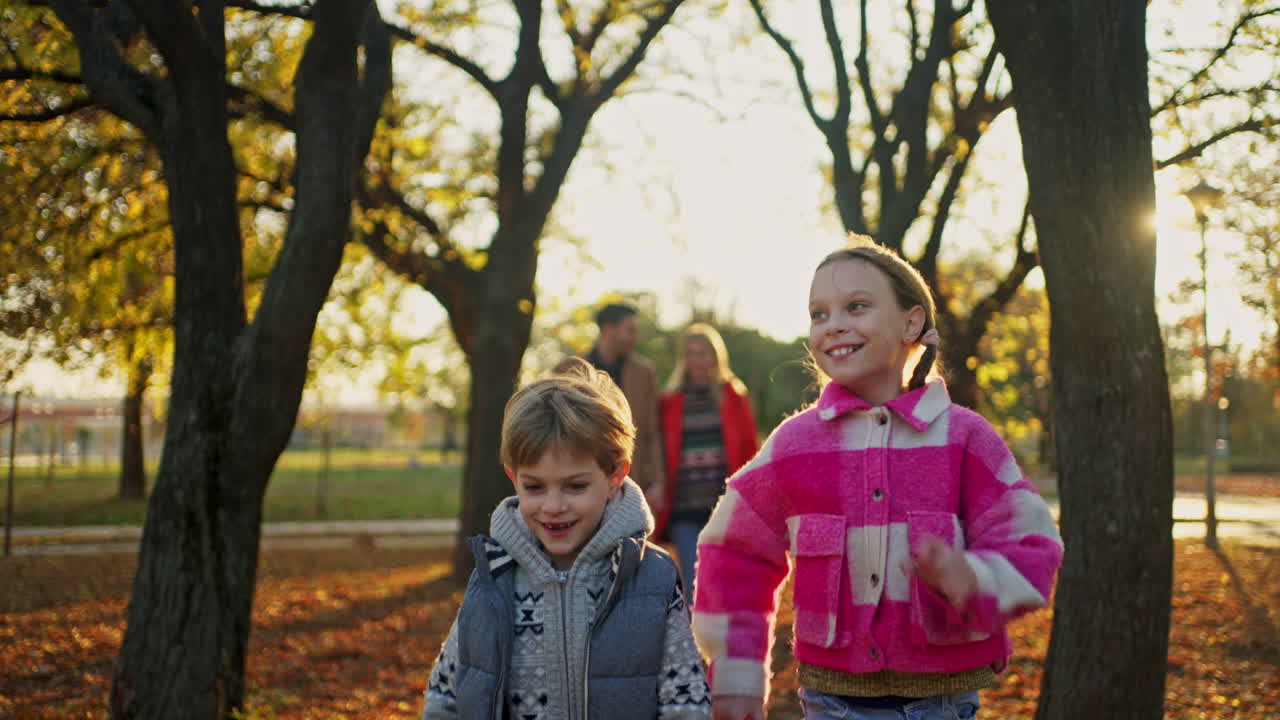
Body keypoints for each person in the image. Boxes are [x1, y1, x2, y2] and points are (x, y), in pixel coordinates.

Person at [691, 235, 1063, 720]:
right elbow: (734, 553)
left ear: (911, 322)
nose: (834, 326)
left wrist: (970, 577)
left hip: (941, 703)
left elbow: (1033, 543)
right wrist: (737, 676)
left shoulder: (964, 439)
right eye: (819, 314)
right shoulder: (795, 445)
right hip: (832, 703)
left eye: (857, 306)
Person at [420, 357, 711, 720]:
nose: (553, 506)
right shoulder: (493, 578)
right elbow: (446, 695)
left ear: (615, 475)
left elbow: (686, 703)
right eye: (535, 487)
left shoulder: (651, 579)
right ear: (514, 478)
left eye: (575, 486)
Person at [656, 322, 759, 599]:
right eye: (690, 353)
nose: (697, 359)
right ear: (683, 359)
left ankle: (724, 642)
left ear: (715, 356)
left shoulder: (734, 397)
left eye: (703, 352)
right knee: (694, 584)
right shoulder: (669, 401)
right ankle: (695, 643)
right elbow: (658, 452)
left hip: (724, 508)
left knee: (726, 584)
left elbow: (750, 449)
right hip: (684, 508)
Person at [585, 302, 666, 509]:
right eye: (630, 330)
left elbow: (652, 430)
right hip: (584, 477)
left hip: (630, 479)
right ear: (608, 330)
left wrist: (657, 481)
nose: (635, 338)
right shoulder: (573, 369)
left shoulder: (644, 372)